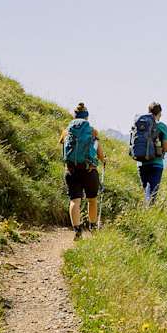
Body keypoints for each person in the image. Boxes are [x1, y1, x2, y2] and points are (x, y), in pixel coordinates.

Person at [59, 102, 105, 239]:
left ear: (74, 116)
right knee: (92, 200)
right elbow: (99, 152)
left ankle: (77, 230)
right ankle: (92, 227)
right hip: (89, 170)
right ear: (86, 117)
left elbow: (62, 145)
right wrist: (104, 160)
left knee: (75, 200)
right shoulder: (92, 131)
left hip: (71, 170)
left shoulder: (67, 131)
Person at [136, 101, 167, 205]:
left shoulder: (140, 125)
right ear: (159, 113)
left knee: (145, 191)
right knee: (152, 193)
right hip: (156, 163)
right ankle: (148, 213)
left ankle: (145, 212)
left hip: (141, 162)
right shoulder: (161, 126)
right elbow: (166, 146)